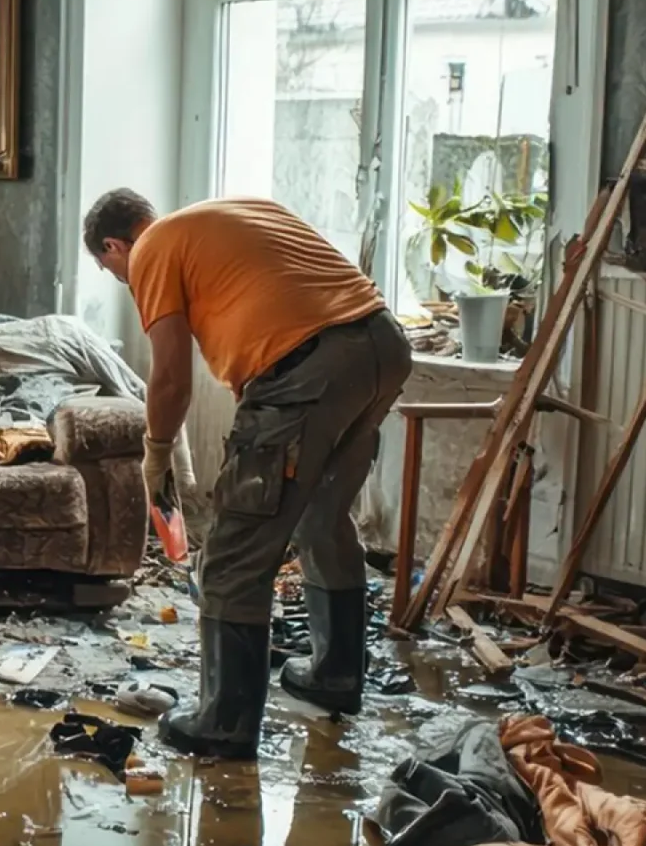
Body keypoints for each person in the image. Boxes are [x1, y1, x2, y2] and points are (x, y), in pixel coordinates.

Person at [82, 189, 412, 759]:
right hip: (382, 346)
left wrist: (155, 453)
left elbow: (170, 378)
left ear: (114, 245)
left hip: (307, 367)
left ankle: (224, 721)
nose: (125, 281)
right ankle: (335, 675)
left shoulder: (152, 247)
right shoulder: (235, 212)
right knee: (323, 517)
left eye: (113, 271)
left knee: (235, 547)